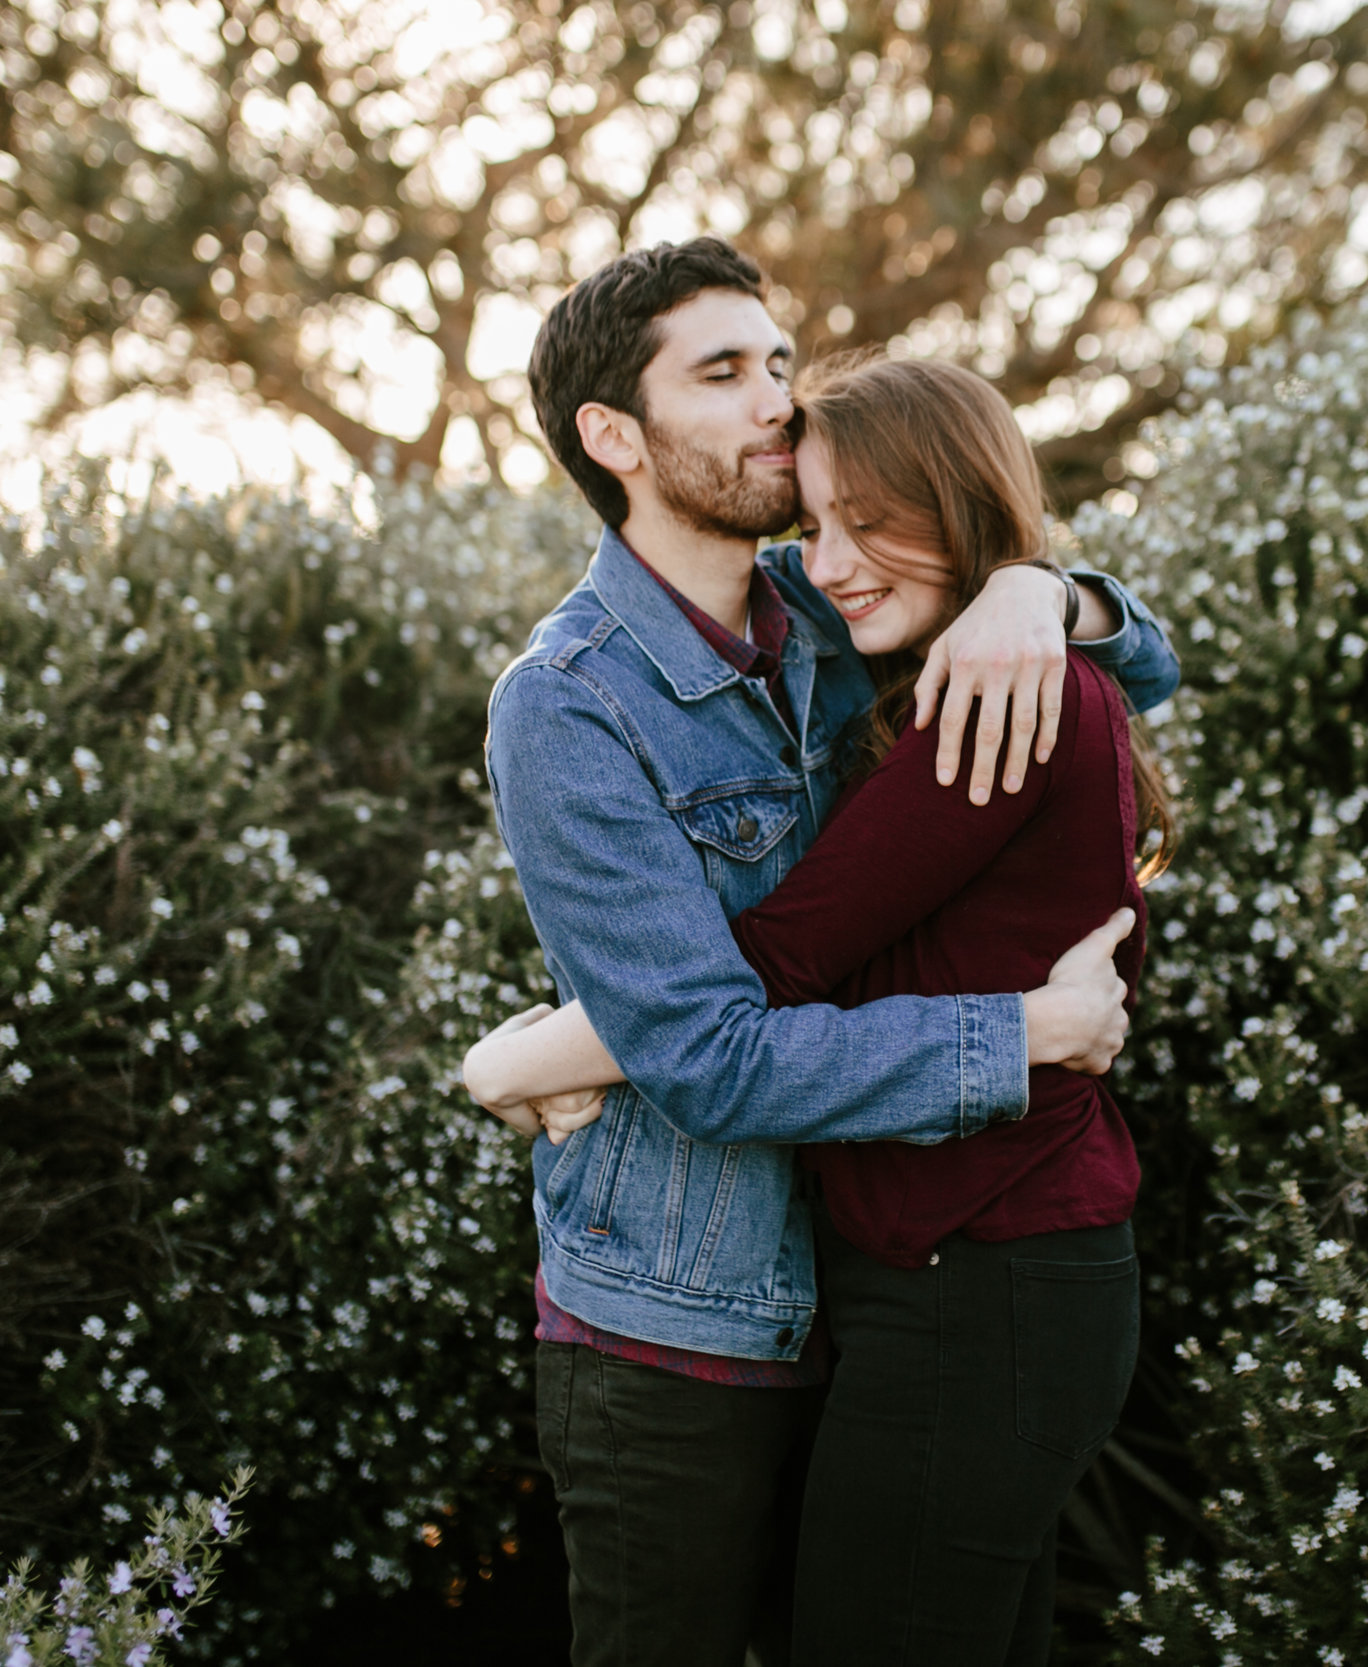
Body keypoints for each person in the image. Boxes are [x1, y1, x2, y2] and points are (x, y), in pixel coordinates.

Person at [474, 236, 1180, 1667]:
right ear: (615, 437)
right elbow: (714, 1054)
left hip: (868, 1278)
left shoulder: (825, 612)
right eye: (725, 374)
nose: (778, 406)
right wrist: (1019, 1035)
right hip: (676, 1319)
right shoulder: (565, 705)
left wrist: (1038, 591)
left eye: (780, 363)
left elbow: (1141, 657)